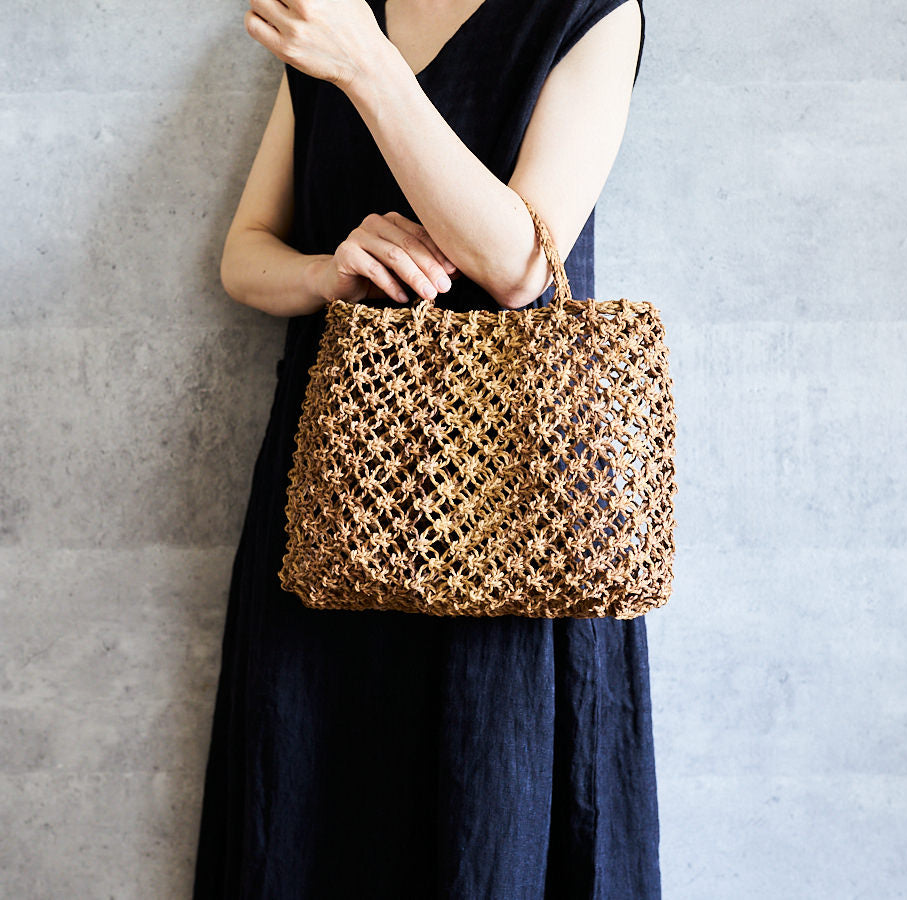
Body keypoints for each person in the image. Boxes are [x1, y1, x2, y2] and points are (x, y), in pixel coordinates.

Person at [191, 0, 658, 897]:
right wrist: (331, 271)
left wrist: (368, 67)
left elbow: (522, 262)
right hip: (329, 499)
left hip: (513, 517)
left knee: (488, 825)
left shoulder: (591, 15)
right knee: (304, 821)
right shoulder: (336, 14)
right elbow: (243, 255)